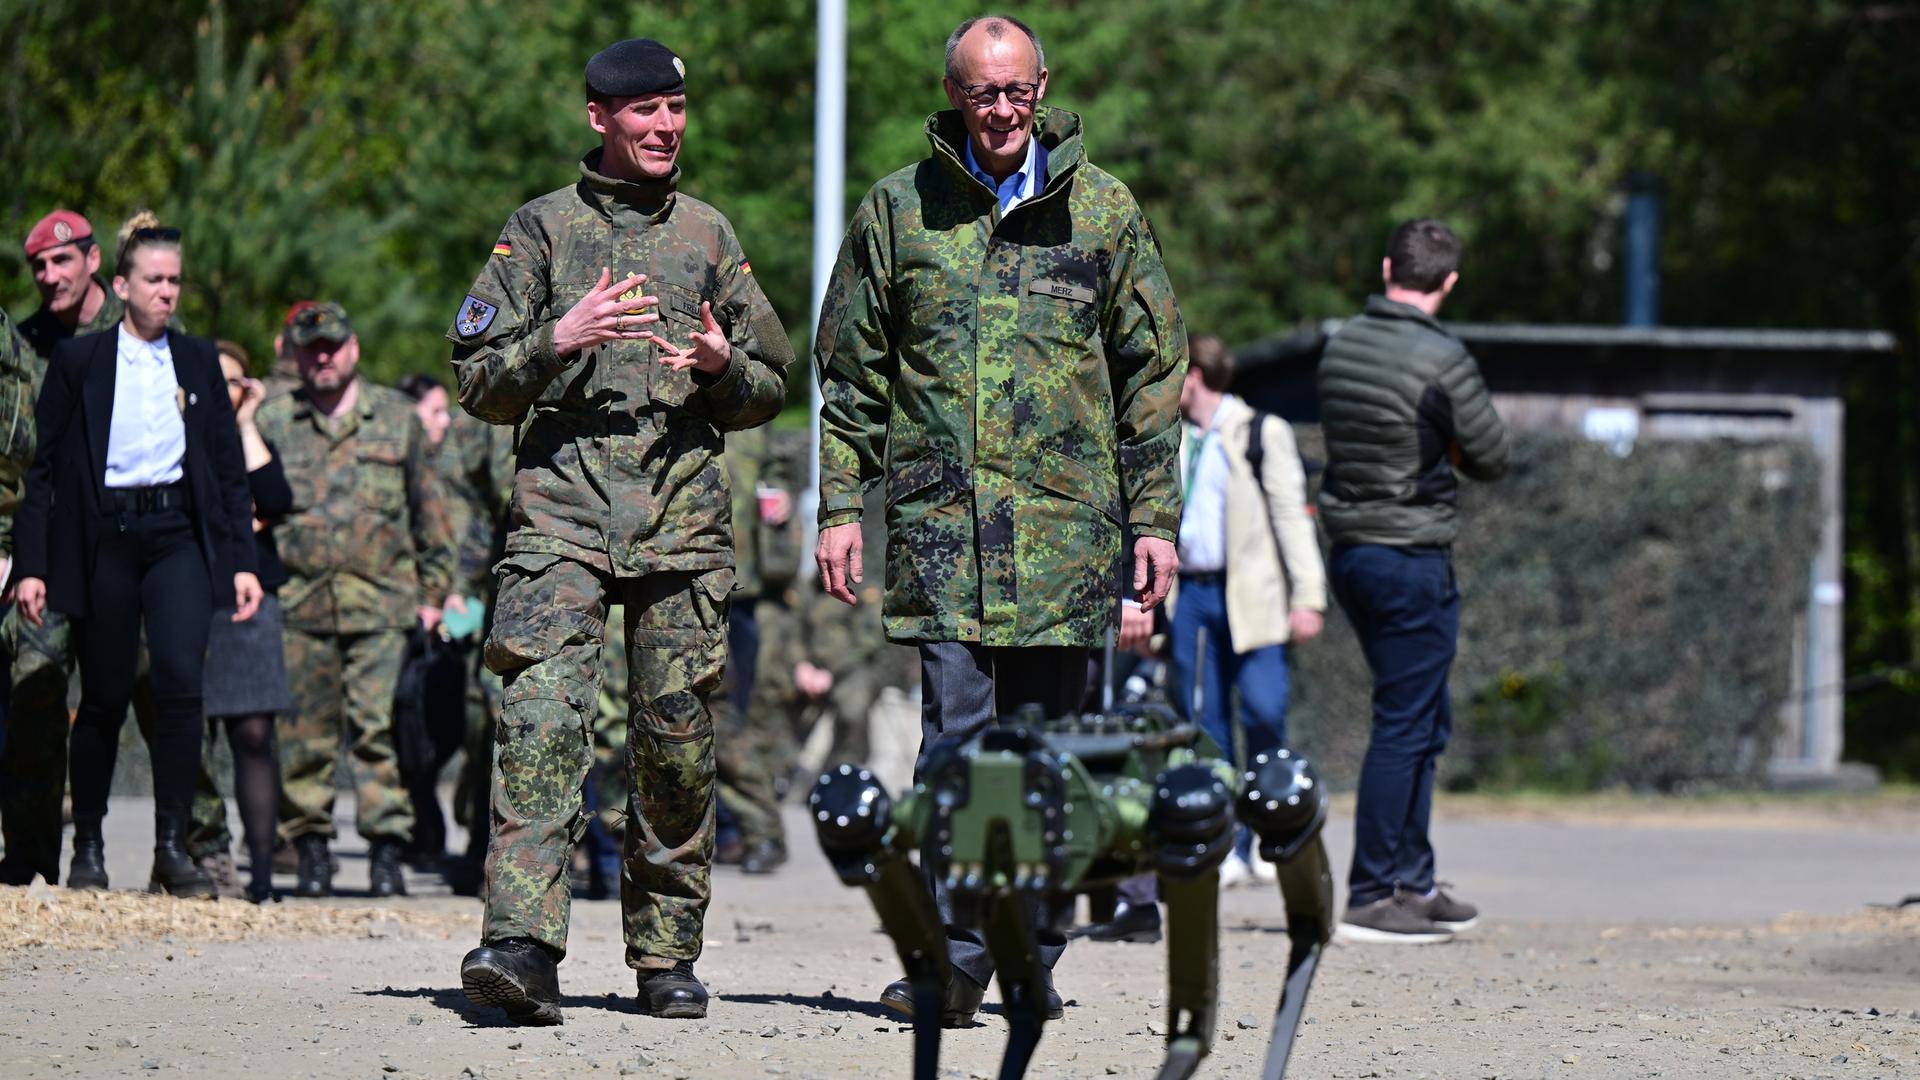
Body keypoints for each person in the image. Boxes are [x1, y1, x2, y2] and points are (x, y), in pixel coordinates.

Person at [813, 14, 1187, 1025]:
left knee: (1049, 752)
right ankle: (955, 956)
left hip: (1066, 541)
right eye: (983, 92)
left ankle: (1029, 955)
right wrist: (840, 504)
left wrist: (1155, 521)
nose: (1003, 110)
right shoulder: (901, 210)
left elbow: (1153, 373)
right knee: (957, 748)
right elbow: (852, 374)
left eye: (1018, 90)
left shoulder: (1102, 211)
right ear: (955, 96)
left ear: (1042, 87)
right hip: (944, 536)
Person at [449, 37, 792, 1025]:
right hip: (560, 522)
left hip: (680, 528)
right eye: (646, 110)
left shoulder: (709, 235)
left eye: (676, 108)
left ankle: (666, 954)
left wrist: (724, 368)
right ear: (600, 116)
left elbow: (771, 384)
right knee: (540, 725)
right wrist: (557, 339)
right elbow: (475, 380)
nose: (666, 126)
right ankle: (521, 946)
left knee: (674, 744)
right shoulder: (540, 230)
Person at [13, 214, 263, 897]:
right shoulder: (79, 361)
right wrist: (32, 566)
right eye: (154, 280)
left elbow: (227, 469)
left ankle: (171, 848)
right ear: (122, 286)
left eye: (174, 280)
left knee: (180, 689)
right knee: (103, 694)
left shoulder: (198, 359)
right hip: (106, 538)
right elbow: (42, 470)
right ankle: (89, 848)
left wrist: (241, 560)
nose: (167, 292)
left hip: (177, 537)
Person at [1317, 218, 1508, 943]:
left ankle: (1414, 881)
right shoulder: (1441, 357)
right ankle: (1373, 893)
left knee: (1425, 718)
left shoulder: (1342, 345)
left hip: (1353, 553)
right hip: (1410, 555)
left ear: (1387, 266)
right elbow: (1492, 455)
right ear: (1449, 281)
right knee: (1404, 724)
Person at [254, 300, 456, 899]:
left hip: (383, 606)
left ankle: (386, 850)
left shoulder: (396, 418)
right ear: (295, 354)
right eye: (311, 349)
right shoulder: (273, 420)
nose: (323, 358)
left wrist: (434, 594)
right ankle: (311, 847)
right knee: (305, 736)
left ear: (354, 349)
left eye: (333, 347)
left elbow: (430, 511)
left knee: (378, 733)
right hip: (300, 602)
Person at [1170, 336, 1326, 884]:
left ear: (1194, 375)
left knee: (1263, 711)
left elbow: (1290, 516)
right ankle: (1225, 843)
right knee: (1204, 724)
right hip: (1191, 595)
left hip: (1253, 595)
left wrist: (1308, 596)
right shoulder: (1172, 438)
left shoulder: (1261, 431)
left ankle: (1270, 828)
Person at [200, 339, 295, 903]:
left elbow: (275, 499)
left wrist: (246, 423)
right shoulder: (177, 440)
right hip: (193, 591)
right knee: (188, 736)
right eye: (215, 380)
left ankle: (261, 873)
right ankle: (193, 856)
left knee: (255, 734)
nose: (225, 391)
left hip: (251, 597)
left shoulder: (249, 440)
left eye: (234, 381)